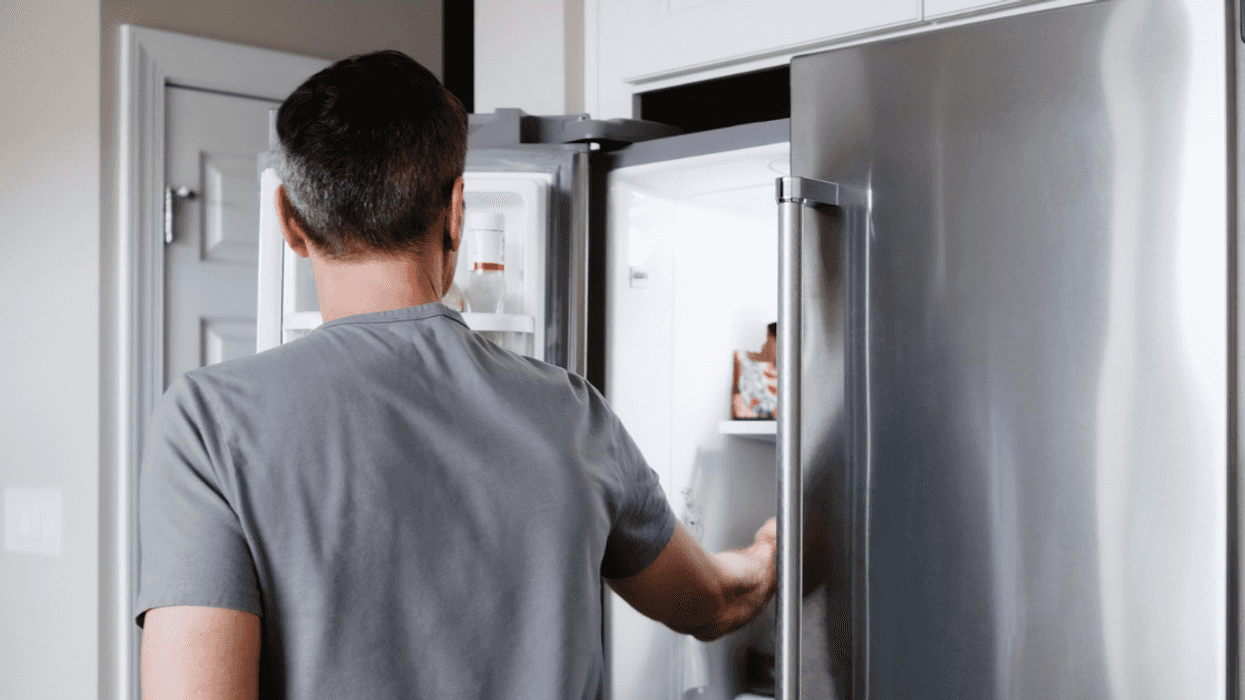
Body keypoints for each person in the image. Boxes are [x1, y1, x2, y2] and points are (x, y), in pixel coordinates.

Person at [136, 50, 778, 700]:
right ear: (457, 211)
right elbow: (711, 604)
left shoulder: (210, 423)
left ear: (289, 223)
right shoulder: (571, 413)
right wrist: (769, 552)